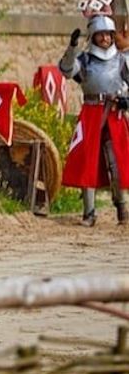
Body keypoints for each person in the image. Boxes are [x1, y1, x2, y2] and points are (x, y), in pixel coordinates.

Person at [58, 14, 129, 227]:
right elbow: (66, 71)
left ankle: (121, 207)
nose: (105, 39)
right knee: (88, 161)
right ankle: (89, 213)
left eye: (108, 34)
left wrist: (126, 101)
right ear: (94, 37)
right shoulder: (85, 60)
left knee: (115, 161)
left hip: (114, 112)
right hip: (91, 113)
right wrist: (71, 47)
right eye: (101, 35)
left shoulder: (122, 60)